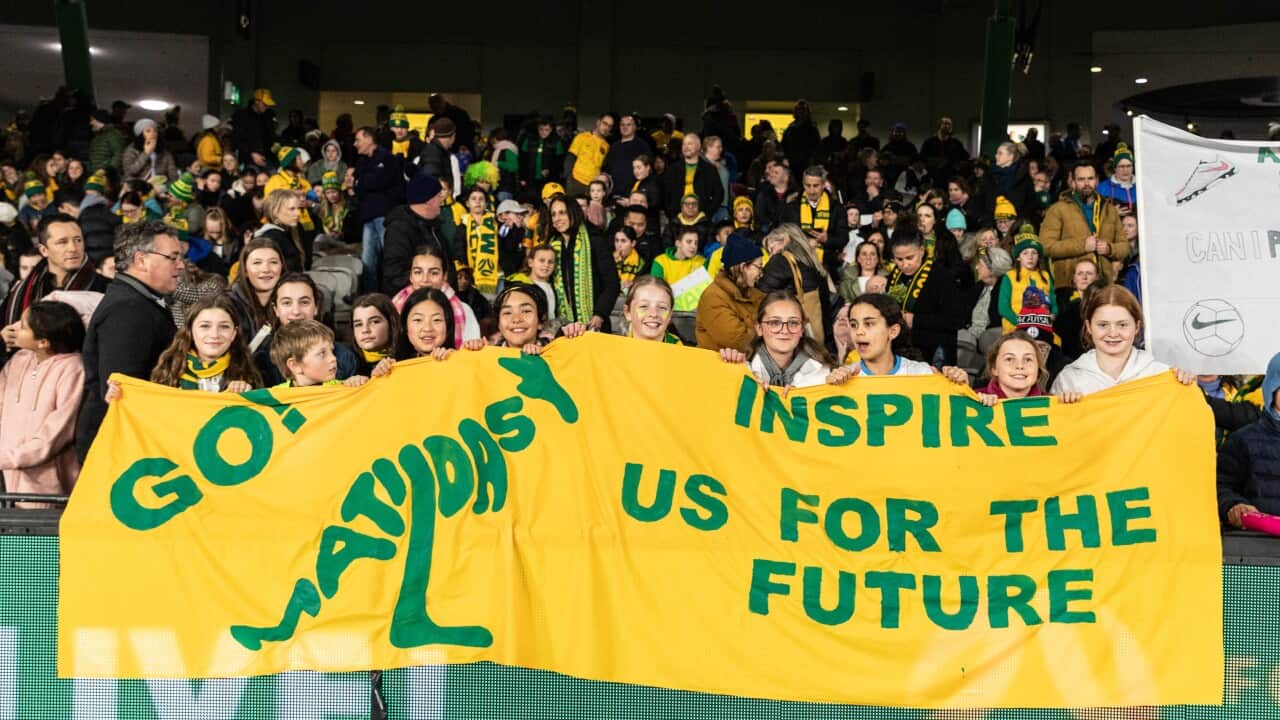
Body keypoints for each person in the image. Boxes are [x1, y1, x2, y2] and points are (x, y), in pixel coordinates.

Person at [75, 221, 181, 461]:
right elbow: (122, 388)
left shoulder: (135, 301)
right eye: (172, 257)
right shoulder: (129, 308)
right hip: (119, 445)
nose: (180, 265)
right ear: (141, 259)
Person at [0, 300, 85, 505]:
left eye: (23, 326)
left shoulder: (72, 369)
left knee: (39, 534)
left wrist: (10, 458)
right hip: (7, 477)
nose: (14, 329)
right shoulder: (19, 359)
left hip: (48, 483)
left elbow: (55, 433)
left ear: (43, 342)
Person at [1050, 285, 1195, 400]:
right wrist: (1062, 406)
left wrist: (1185, 384)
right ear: (1089, 327)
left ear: (1137, 327)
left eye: (1122, 325)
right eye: (1103, 325)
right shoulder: (1069, 380)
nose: (1113, 333)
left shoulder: (1160, 373)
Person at [2, 215, 107, 347]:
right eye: (62, 242)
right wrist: (4, 338)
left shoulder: (106, 288)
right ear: (44, 250)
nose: (73, 248)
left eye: (78, 240)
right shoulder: (20, 291)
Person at [719, 291, 851, 390]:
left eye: (793, 323)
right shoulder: (742, 369)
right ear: (759, 329)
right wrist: (726, 371)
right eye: (775, 323)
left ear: (801, 330)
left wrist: (834, 388)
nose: (785, 330)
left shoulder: (824, 375)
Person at [254, 273, 360, 386]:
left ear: (316, 307)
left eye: (304, 302)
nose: (296, 311)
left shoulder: (344, 356)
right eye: (287, 303)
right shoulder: (261, 359)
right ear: (276, 310)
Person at [1217, 352, 1280, 528]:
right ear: (1271, 391)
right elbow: (1220, 486)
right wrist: (1234, 506)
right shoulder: (1242, 440)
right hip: (1257, 545)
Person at [149, 294, 261, 392]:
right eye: (205, 326)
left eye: (224, 327)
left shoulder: (248, 374)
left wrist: (247, 394)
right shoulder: (168, 369)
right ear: (190, 331)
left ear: (234, 333)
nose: (214, 334)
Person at [1041, 160, 1127, 287]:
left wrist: (1110, 248)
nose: (1087, 183)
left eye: (1090, 178)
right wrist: (1082, 245)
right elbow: (1045, 246)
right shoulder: (1057, 210)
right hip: (1069, 286)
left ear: (1097, 180)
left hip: (1103, 283)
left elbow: (1124, 246)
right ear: (1073, 182)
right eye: (1081, 179)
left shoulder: (1109, 209)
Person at [885, 230, 965, 365]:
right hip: (902, 349)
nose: (904, 264)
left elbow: (955, 320)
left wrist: (915, 320)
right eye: (899, 259)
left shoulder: (941, 276)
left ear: (921, 251)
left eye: (910, 258)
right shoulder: (895, 274)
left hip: (935, 352)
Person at [540, 194, 619, 329]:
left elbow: (612, 284)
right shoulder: (552, 244)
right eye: (553, 215)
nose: (557, 219)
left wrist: (599, 314)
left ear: (573, 212)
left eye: (562, 213)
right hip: (564, 326)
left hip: (594, 325)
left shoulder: (595, 239)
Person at [381, 173, 458, 294]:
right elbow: (394, 275)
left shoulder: (434, 226)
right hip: (416, 303)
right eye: (439, 196)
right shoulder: (399, 229)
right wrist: (430, 283)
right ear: (429, 200)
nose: (442, 200)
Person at [390, 244, 482, 345]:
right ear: (411, 276)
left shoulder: (464, 310)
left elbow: (471, 354)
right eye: (418, 272)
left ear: (444, 276)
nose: (425, 280)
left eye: (433, 273)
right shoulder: (394, 309)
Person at [353, 125, 405, 292]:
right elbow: (359, 185)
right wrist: (362, 183)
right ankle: (369, 297)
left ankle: (395, 295)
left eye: (358, 140)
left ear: (369, 139)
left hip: (384, 215)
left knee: (390, 257)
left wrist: (362, 182)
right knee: (368, 261)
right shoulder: (362, 161)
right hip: (368, 216)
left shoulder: (387, 158)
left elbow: (378, 181)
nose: (355, 144)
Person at [758, 225, 829, 345]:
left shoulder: (779, 261)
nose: (771, 255)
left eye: (772, 248)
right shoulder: (814, 264)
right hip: (816, 339)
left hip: (788, 339)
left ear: (785, 239)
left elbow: (761, 296)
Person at [695, 233, 765, 352]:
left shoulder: (756, 294)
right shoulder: (713, 297)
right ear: (743, 267)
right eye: (758, 267)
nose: (761, 273)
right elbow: (738, 341)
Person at [844, 293, 935, 376]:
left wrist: (948, 382)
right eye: (853, 325)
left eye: (869, 324)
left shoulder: (920, 373)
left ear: (893, 331)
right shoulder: (843, 376)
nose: (859, 332)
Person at [956, 247, 1012, 376]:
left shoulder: (1007, 287)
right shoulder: (979, 287)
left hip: (994, 334)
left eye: (980, 265)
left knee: (988, 337)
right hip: (972, 334)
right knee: (961, 336)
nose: (976, 268)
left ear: (992, 268)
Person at [786, 166, 849, 278]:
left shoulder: (837, 208)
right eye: (807, 185)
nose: (811, 190)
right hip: (797, 262)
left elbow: (843, 238)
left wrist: (827, 239)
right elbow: (783, 233)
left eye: (816, 186)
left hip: (827, 265)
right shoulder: (792, 207)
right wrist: (805, 242)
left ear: (824, 184)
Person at [268, 319, 368, 389]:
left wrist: (359, 382)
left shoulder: (343, 387)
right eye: (322, 354)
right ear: (295, 365)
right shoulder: (274, 397)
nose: (333, 358)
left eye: (332, 352)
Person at [997, 225, 1057, 335]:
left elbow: (1053, 300)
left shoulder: (1045, 276)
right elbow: (1003, 308)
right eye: (1025, 253)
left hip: (1043, 329)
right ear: (1018, 257)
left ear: (1038, 256)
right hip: (1014, 330)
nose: (1030, 257)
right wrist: (1022, 323)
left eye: (1034, 253)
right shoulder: (1009, 277)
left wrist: (1053, 314)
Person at [228, 238, 284, 346]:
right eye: (257, 263)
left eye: (273, 262)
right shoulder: (228, 305)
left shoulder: (292, 302)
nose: (266, 269)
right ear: (245, 271)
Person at [973, 331, 1049, 405]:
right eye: (1009, 359)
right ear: (994, 368)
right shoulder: (972, 401)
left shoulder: (1054, 404)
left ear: (1038, 368)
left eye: (1028, 359)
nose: (1020, 366)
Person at [662, 133, 723, 221]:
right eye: (684, 144)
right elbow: (665, 193)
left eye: (690, 144)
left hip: (701, 218)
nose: (686, 147)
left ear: (698, 147)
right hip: (677, 217)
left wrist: (707, 213)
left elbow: (719, 194)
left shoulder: (709, 169)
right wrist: (671, 214)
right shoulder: (672, 169)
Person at [455, 186, 503, 296]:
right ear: (467, 203)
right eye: (474, 199)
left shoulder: (495, 223)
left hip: (495, 275)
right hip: (471, 276)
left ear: (486, 203)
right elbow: (459, 248)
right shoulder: (462, 224)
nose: (477, 202)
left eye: (481, 199)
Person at [1052, 257, 1101, 360]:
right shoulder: (1061, 298)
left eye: (1089, 273)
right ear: (1074, 278)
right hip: (1069, 355)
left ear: (1097, 277)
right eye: (1080, 273)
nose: (1084, 277)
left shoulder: (1103, 300)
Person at [254, 189, 307, 272]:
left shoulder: (292, 231)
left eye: (298, 208)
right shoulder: (271, 238)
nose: (298, 213)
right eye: (292, 209)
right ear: (275, 211)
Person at [983, 142, 1036, 223]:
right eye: (996, 153)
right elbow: (982, 198)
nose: (996, 156)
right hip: (993, 222)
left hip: (1016, 223)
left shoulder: (1023, 176)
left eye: (1000, 153)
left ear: (1010, 156)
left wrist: (1019, 220)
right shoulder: (990, 174)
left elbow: (1030, 202)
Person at [622, 275, 682, 344]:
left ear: (670, 315)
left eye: (662, 307)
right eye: (644, 306)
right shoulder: (614, 348)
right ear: (627, 312)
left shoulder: (682, 351)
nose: (654, 314)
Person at [564, 114, 614, 198]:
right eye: (605, 123)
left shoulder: (607, 146)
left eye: (609, 126)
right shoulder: (581, 137)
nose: (606, 128)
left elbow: (603, 168)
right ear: (598, 122)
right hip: (576, 181)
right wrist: (568, 178)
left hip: (593, 186)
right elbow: (570, 158)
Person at [351, 293, 400, 375]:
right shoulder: (344, 362)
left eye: (375, 322)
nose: (365, 330)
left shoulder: (410, 355)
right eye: (358, 324)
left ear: (392, 323)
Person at [603, 114, 649, 200]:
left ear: (635, 127)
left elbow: (647, 171)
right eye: (622, 125)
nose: (625, 127)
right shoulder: (614, 146)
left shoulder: (642, 146)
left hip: (634, 194)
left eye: (628, 125)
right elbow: (606, 169)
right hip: (614, 194)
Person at [230, 88, 277, 168]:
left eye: (268, 104)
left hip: (267, 160)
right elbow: (236, 140)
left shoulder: (268, 116)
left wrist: (276, 147)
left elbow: (271, 137)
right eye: (265, 104)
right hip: (249, 161)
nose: (267, 106)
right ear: (256, 101)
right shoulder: (242, 116)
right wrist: (252, 154)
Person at [121, 118, 179, 183]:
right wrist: (146, 153)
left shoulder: (165, 152)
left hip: (160, 187)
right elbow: (129, 172)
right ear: (140, 135)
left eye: (155, 131)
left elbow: (174, 176)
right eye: (148, 131)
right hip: (138, 187)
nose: (153, 133)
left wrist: (165, 187)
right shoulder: (131, 150)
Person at [519, 116, 564, 192]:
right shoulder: (528, 140)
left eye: (547, 130)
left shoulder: (557, 142)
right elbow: (522, 160)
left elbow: (559, 162)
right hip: (530, 179)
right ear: (537, 129)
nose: (543, 132)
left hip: (549, 180)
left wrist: (550, 170)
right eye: (541, 129)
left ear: (551, 130)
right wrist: (522, 178)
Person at [920, 116, 968, 187]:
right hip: (932, 177)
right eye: (945, 123)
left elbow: (965, 157)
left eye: (949, 124)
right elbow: (922, 158)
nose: (947, 126)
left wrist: (958, 164)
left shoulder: (956, 143)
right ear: (939, 125)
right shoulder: (929, 142)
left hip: (950, 178)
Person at [838, 239, 889, 304]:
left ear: (878, 259)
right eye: (864, 254)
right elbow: (844, 303)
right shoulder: (847, 281)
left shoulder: (888, 279)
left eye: (872, 254)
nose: (868, 257)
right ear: (858, 258)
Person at [1097, 142, 1136, 215]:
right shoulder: (1102, 188)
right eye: (1121, 166)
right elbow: (1095, 214)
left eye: (1128, 166)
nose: (1125, 170)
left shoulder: (1140, 186)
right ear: (1115, 168)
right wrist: (1111, 214)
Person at [88, 109, 126, 174]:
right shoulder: (97, 136)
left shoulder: (113, 134)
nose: (90, 123)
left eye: (92, 120)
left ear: (99, 120)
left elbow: (118, 154)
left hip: (107, 175)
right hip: (97, 173)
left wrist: (107, 171)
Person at [612, 226, 646, 291]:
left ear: (633, 243)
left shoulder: (641, 262)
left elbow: (643, 283)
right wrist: (612, 264)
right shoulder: (608, 258)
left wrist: (633, 283)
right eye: (616, 240)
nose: (619, 245)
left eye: (623, 241)